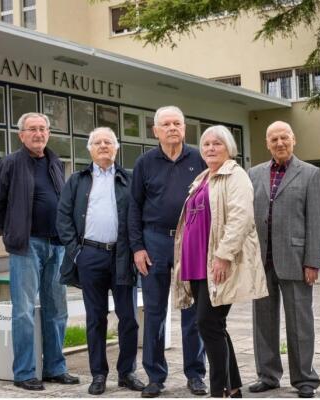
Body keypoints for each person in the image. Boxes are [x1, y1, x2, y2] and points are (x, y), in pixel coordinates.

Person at [173, 125, 268, 398]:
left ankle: (219, 391)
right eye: (206, 144)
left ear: (229, 148)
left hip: (217, 262)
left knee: (207, 323)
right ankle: (233, 387)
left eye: (217, 144)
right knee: (214, 325)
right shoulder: (203, 177)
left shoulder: (235, 176)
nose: (211, 148)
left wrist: (224, 255)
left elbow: (241, 218)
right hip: (197, 263)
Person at [0, 112, 79, 391]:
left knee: (57, 309)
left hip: (56, 245)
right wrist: (12, 230)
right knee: (24, 310)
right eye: (32, 129)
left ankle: (55, 367)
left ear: (48, 133)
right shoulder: (11, 163)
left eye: (43, 129)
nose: (38, 134)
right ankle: (25, 372)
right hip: (27, 246)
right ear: (21, 134)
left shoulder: (54, 162)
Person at [56, 127, 143, 395]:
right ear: (90, 149)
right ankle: (98, 374)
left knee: (128, 317)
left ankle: (126, 372)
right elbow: (63, 217)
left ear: (116, 148)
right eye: (97, 142)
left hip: (122, 255)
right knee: (95, 318)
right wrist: (76, 252)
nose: (103, 146)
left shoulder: (129, 179)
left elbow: (139, 216)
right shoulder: (77, 180)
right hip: (90, 255)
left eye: (108, 142)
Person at [128, 105, 207, 398]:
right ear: (156, 130)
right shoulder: (145, 163)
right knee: (155, 312)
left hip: (191, 243)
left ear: (184, 128)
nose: (173, 128)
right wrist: (137, 247)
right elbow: (133, 208)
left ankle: (196, 374)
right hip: (155, 243)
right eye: (167, 124)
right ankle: (155, 376)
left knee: (193, 311)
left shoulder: (199, 158)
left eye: (178, 123)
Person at [247, 121, 320, 399]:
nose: (280, 143)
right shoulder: (254, 174)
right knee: (263, 321)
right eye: (274, 139)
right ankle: (267, 375)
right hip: (261, 260)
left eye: (284, 138)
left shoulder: (311, 174)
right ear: (267, 143)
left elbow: (316, 220)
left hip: (295, 258)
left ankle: (305, 378)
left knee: (300, 322)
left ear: (294, 140)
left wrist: (312, 261)